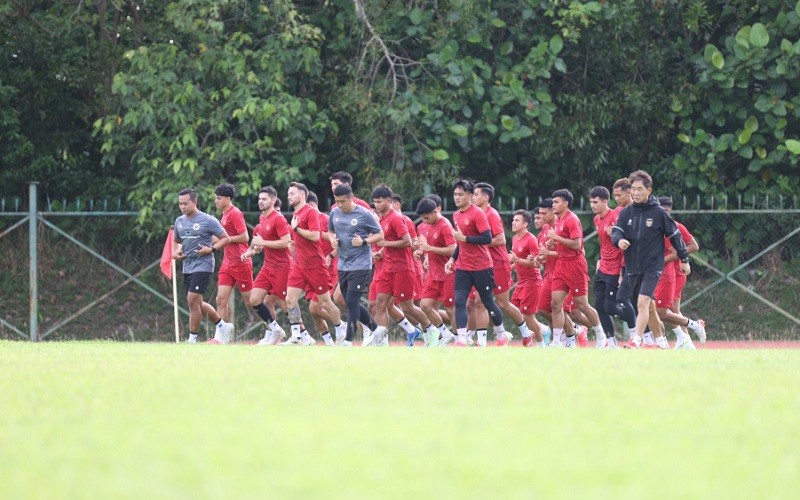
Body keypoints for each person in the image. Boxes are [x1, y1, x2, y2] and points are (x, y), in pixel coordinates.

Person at [611, 170, 692, 349]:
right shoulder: (626, 213)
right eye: (633, 189)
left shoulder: (658, 213)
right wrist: (619, 240)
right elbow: (617, 231)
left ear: (649, 190)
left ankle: (636, 340)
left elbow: (675, 236)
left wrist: (684, 259)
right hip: (632, 267)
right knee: (644, 306)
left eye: (640, 189)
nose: (636, 193)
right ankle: (661, 341)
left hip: (652, 267)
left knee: (643, 302)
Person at [444, 179, 509, 346]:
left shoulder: (478, 213)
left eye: (460, 194)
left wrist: (464, 238)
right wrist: (452, 259)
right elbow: (460, 243)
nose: (456, 198)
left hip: (481, 266)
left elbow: (487, 238)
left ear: (470, 196)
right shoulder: (456, 215)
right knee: (459, 301)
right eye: (455, 194)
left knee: (487, 301)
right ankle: (461, 340)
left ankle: (501, 334)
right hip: (463, 267)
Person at [283, 182, 347, 344]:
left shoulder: (310, 212)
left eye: (292, 194)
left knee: (325, 302)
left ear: (302, 195)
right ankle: (296, 335)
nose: (289, 196)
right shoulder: (295, 215)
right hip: (299, 264)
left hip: (315, 264)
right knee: (290, 299)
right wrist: (293, 244)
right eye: (288, 194)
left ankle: (340, 328)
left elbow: (314, 236)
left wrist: (297, 229)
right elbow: (301, 238)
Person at [472, 182, 533, 346]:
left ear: (486, 197)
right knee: (478, 302)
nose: (473, 197)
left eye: (476, 194)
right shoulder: (474, 213)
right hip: (482, 264)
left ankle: (526, 333)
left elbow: (500, 239)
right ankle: (485, 340)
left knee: (503, 303)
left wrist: (476, 242)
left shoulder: (491, 215)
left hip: (498, 263)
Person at [371, 184, 433, 346]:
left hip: (402, 268)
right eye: (375, 202)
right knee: (380, 303)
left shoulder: (396, 218)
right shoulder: (383, 219)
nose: (376, 205)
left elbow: (407, 241)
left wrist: (385, 243)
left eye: (379, 202)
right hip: (387, 268)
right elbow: (389, 241)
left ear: (389, 201)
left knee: (408, 307)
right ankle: (382, 343)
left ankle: (432, 330)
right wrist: (382, 252)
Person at [546, 189, 607, 348]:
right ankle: (557, 341)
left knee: (582, 305)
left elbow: (577, 244)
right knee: (555, 304)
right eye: (553, 202)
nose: (553, 204)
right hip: (561, 265)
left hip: (575, 265)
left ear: (565, 203)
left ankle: (601, 334)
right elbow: (562, 242)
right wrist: (553, 243)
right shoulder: (559, 220)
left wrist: (556, 238)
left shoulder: (572, 219)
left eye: (556, 202)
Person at [172, 188, 233, 343]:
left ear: (195, 202)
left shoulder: (208, 220)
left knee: (192, 300)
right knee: (197, 302)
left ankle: (192, 339)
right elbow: (177, 242)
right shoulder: (179, 221)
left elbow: (226, 239)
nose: (182, 207)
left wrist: (211, 249)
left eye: (185, 203)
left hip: (203, 265)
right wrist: (176, 252)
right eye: (180, 204)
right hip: (187, 266)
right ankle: (221, 325)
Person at [328, 183, 384, 346]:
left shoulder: (364, 214)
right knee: (349, 302)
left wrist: (365, 241)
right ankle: (376, 329)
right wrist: (332, 240)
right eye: (337, 201)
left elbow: (380, 234)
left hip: (361, 265)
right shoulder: (334, 213)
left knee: (352, 301)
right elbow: (330, 231)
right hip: (343, 265)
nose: (339, 205)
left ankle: (348, 339)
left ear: (351, 198)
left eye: (342, 201)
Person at [655, 196, 706, 348]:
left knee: (663, 310)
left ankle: (686, 336)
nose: (664, 213)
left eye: (666, 211)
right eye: (661, 211)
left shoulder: (674, 227)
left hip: (675, 273)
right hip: (665, 272)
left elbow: (692, 246)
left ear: (670, 211)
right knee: (673, 310)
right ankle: (686, 341)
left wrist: (681, 258)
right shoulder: (657, 227)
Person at [242, 187, 290, 345]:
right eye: (259, 199)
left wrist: (263, 243)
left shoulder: (278, 219)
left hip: (282, 266)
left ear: (273, 200)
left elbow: (285, 242)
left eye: (264, 199)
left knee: (285, 303)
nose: (260, 201)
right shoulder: (263, 219)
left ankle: (301, 334)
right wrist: (251, 252)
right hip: (267, 267)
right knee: (254, 299)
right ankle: (275, 329)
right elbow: (259, 244)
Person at [414, 197, 457, 346]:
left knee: (451, 310)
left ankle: (460, 340)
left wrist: (429, 249)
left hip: (448, 273)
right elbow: (425, 246)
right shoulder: (425, 226)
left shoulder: (444, 224)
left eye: (426, 217)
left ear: (434, 212)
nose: (424, 221)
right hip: (433, 273)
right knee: (425, 306)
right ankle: (445, 334)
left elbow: (453, 249)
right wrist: (421, 252)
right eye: (422, 218)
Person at [212, 184, 254, 335]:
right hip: (227, 264)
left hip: (240, 262)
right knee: (220, 300)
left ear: (228, 199)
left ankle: (272, 327)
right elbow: (223, 237)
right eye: (215, 197)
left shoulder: (235, 213)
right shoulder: (224, 214)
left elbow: (245, 237)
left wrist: (225, 239)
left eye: (218, 198)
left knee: (251, 302)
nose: (215, 200)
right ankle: (221, 336)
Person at [589, 185, 627, 348]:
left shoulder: (616, 216)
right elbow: (603, 244)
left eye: (596, 202)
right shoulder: (597, 219)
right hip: (603, 266)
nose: (592, 205)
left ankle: (640, 324)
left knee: (610, 306)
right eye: (591, 202)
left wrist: (621, 271)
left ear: (605, 202)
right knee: (599, 305)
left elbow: (624, 242)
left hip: (615, 267)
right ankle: (611, 342)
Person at [509, 209, 547, 347]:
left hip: (532, 282)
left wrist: (516, 260)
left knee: (528, 317)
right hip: (521, 282)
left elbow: (537, 264)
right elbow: (517, 260)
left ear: (525, 224)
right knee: (514, 310)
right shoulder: (514, 238)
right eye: (513, 220)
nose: (513, 222)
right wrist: (510, 267)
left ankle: (542, 345)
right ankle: (543, 330)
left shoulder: (531, 239)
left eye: (517, 220)